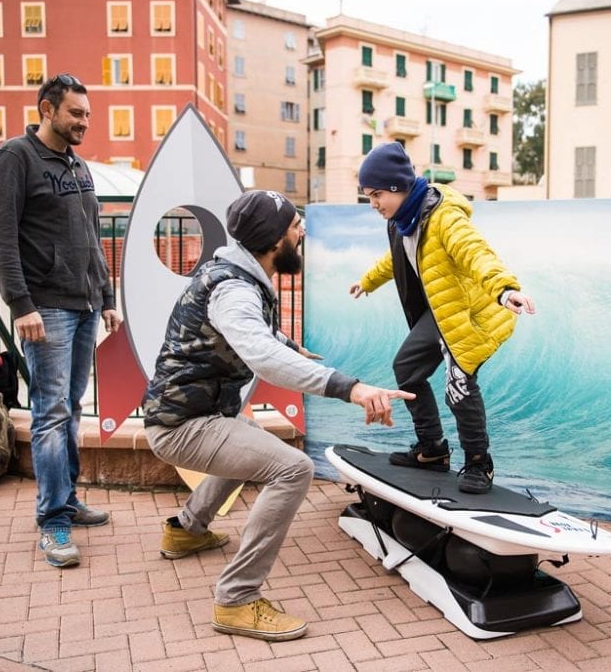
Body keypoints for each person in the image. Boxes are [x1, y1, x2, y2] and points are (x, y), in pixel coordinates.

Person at [142, 189, 413, 642]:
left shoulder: (233, 273)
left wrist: (289, 346)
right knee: (292, 468)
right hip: (182, 426)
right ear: (273, 238)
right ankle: (237, 599)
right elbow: (260, 353)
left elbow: (254, 332)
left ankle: (187, 529)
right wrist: (351, 388)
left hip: (191, 415)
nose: (302, 231)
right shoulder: (232, 288)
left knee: (250, 439)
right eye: (294, 226)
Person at [0, 73, 122, 568]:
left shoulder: (78, 166)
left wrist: (106, 294)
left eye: (87, 113)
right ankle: (53, 522)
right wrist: (21, 304)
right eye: (76, 113)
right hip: (46, 309)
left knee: (72, 408)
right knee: (49, 413)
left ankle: (67, 500)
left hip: (83, 305)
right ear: (47, 109)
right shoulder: (15, 158)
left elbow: (91, 235)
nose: (85, 121)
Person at [349, 142, 535, 495]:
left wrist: (505, 289)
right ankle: (432, 449)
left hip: (473, 310)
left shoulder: (444, 216)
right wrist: (368, 281)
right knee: (406, 368)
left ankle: (480, 462)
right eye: (368, 196)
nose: (373, 204)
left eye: (376, 195)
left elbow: (473, 252)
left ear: (396, 187)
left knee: (459, 386)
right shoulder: (403, 220)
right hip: (442, 310)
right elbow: (398, 258)